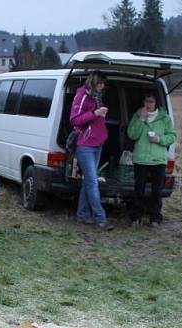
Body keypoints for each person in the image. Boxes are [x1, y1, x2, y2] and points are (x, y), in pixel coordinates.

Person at [70, 70, 113, 231]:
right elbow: (74, 119)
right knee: (93, 181)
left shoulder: (97, 97)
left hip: (97, 142)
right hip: (85, 144)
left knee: (88, 181)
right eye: (101, 83)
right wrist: (94, 113)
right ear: (95, 82)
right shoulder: (82, 96)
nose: (103, 86)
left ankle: (82, 215)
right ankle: (100, 218)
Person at [127, 91, 177, 227]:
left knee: (157, 191)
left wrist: (159, 139)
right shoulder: (138, 116)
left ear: (156, 103)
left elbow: (172, 136)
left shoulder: (164, 118)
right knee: (139, 190)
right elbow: (132, 134)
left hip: (158, 159)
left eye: (151, 101)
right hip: (141, 158)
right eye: (146, 101)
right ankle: (136, 217)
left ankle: (155, 217)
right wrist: (141, 120)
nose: (148, 104)